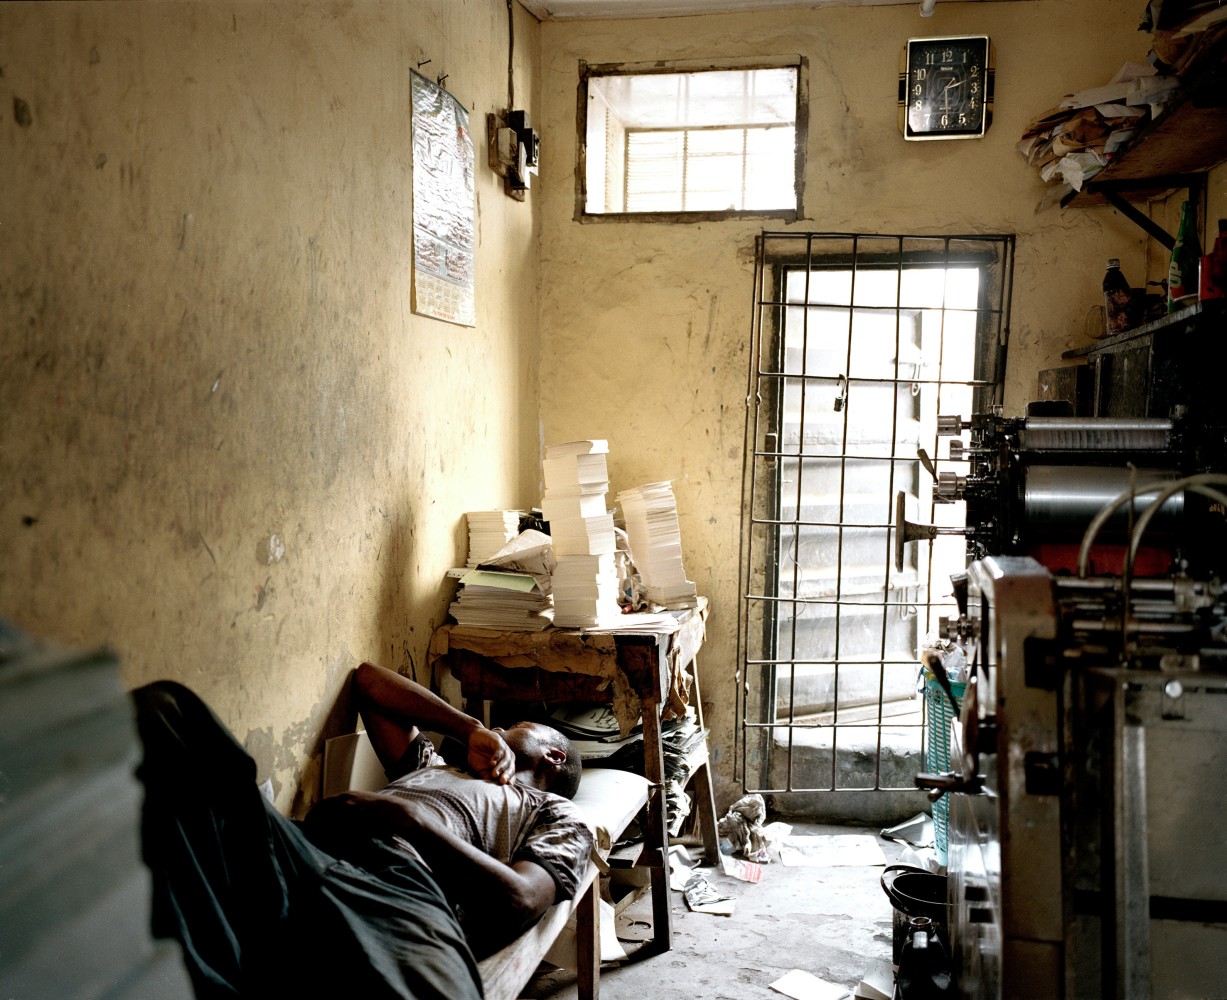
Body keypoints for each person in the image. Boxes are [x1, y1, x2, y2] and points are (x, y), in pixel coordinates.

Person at [132, 661, 591, 1000]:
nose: (501, 727)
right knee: (166, 711)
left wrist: (403, 819)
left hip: (401, 893)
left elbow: (522, 899)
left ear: (552, 755)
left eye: (517, 726)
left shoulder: (555, 813)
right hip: (308, 849)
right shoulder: (433, 766)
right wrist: (468, 728)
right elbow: (370, 682)